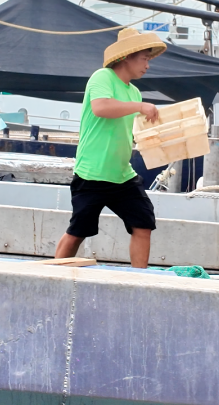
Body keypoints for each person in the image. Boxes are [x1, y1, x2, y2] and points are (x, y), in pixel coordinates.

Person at [54, 28, 165, 268]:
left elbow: (132, 129)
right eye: (144, 59)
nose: (147, 65)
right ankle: (54, 275)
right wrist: (140, 106)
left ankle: (138, 279)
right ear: (127, 56)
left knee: (143, 222)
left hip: (122, 174)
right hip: (93, 172)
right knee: (78, 230)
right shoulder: (102, 77)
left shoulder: (133, 91)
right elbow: (101, 107)